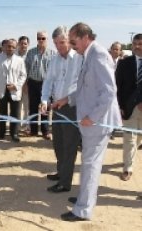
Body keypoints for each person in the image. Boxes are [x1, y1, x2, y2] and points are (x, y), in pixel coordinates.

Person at [57, 22, 122, 221]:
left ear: (85, 37)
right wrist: (67, 99)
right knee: (88, 163)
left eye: (73, 41)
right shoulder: (88, 55)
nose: (72, 45)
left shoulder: (99, 55)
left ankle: (83, 209)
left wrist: (92, 117)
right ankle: (85, 197)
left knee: (90, 165)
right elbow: (87, 88)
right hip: (89, 121)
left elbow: (109, 92)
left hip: (96, 122)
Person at [41, 26, 82, 193]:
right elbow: (48, 81)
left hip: (72, 107)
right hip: (56, 106)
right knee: (58, 142)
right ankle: (61, 172)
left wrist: (67, 100)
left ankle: (65, 183)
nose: (59, 46)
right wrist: (44, 100)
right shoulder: (55, 60)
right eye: (56, 43)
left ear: (69, 41)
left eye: (62, 42)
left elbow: (82, 86)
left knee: (69, 145)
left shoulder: (79, 58)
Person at [0, 39, 27, 142]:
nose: (10, 49)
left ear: (16, 48)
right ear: (5, 47)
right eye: (8, 46)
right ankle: (1, 134)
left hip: (14, 90)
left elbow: (23, 75)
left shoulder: (19, 60)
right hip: (1, 89)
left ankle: (14, 133)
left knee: (15, 113)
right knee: (2, 113)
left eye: (13, 47)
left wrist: (16, 86)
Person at [115, 34, 142, 181]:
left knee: (138, 138)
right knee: (129, 139)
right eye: (135, 43)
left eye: (140, 44)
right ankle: (128, 168)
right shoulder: (124, 63)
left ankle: (129, 157)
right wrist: (120, 106)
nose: (137, 46)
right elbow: (118, 86)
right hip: (129, 108)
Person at [25, 31, 55, 140]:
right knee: (32, 107)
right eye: (39, 38)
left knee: (45, 108)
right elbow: (26, 69)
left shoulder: (53, 54)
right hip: (33, 83)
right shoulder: (31, 52)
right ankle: (33, 130)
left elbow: (54, 72)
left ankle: (45, 131)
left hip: (46, 84)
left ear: (47, 39)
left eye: (43, 38)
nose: (41, 40)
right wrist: (25, 84)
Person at [16, 36, 30, 132]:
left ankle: (26, 126)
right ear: (18, 44)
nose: (23, 45)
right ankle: (16, 126)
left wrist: (26, 84)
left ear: (28, 45)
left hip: (27, 86)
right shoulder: (14, 55)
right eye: (21, 43)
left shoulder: (30, 55)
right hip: (16, 85)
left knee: (26, 107)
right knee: (16, 107)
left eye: (25, 44)